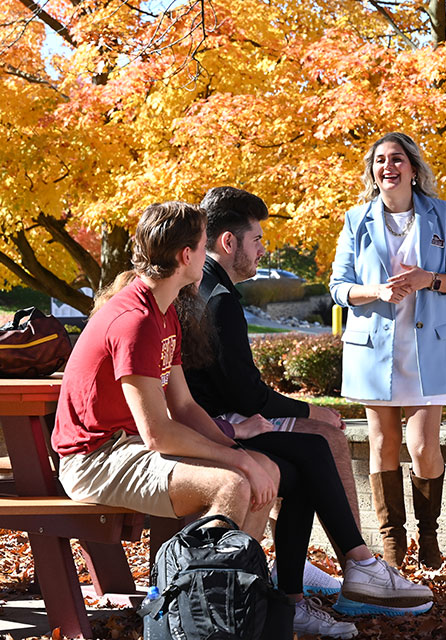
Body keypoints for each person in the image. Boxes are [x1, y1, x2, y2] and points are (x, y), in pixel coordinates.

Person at [51, 201, 281, 538]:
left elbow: (185, 407)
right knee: (232, 485)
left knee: (266, 469)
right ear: (186, 256)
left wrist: (239, 454)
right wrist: (238, 463)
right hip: (94, 462)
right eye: (205, 246)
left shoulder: (164, 311)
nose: (208, 256)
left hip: (130, 447)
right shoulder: (136, 321)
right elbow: (157, 433)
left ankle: (240, 584)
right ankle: (206, 588)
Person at [183, 186, 359, 596]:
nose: (264, 250)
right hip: (218, 425)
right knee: (324, 437)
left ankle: (326, 574)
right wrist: (309, 411)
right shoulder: (219, 298)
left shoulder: (205, 286)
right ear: (229, 242)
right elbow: (246, 396)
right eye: (258, 239)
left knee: (316, 447)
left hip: (220, 417)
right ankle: (358, 566)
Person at [329, 132, 446, 569]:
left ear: (412, 168)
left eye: (396, 159)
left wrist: (427, 279)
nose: (387, 167)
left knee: (424, 445)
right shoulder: (357, 219)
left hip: (427, 347)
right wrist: (373, 291)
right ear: (373, 172)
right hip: (375, 350)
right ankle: (393, 545)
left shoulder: (441, 213)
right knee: (382, 442)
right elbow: (338, 288)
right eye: (379, 161)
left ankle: (428, 538)